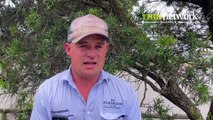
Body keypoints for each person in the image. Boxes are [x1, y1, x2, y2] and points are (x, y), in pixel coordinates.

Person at [30, 14, 141, 120]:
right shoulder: (47, 92)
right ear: (68, 49)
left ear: (106, 49)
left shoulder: (125, 92)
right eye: (83, 46)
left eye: (98, 46)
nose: (91, 54)